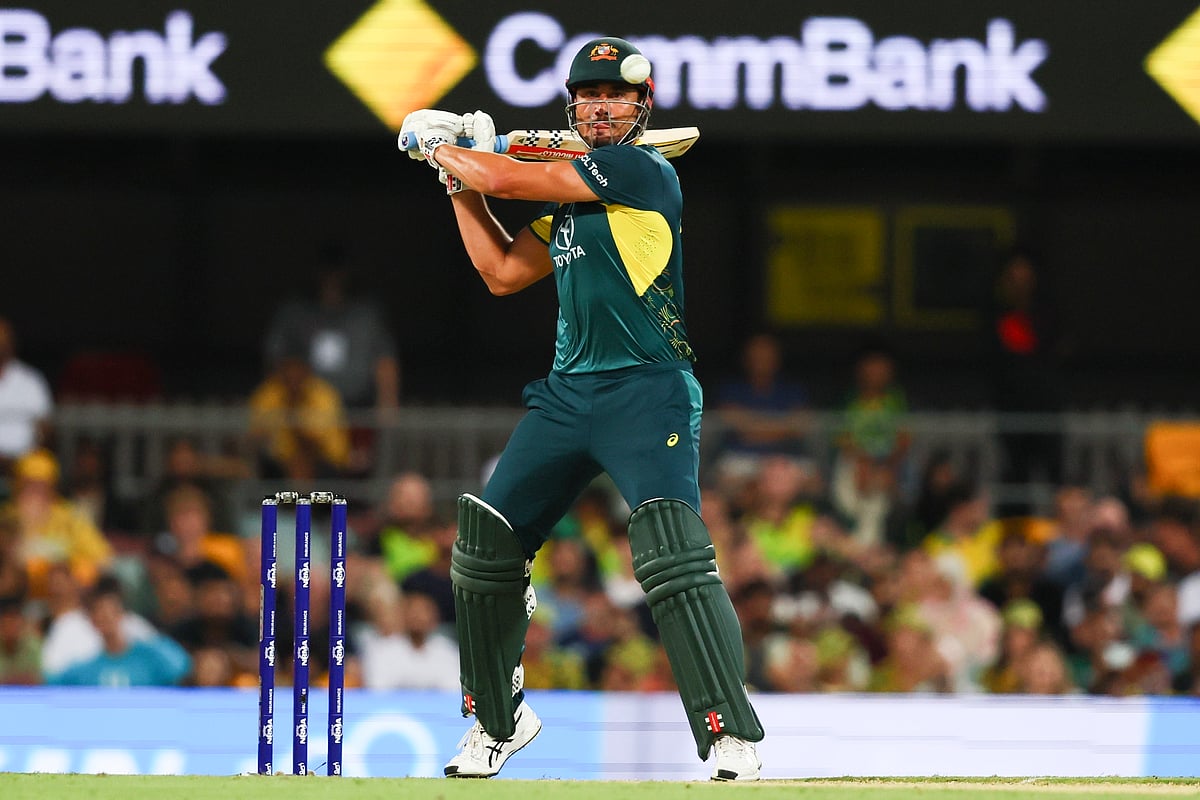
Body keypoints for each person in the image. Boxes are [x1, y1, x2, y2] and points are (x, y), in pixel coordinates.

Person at [401, 36, 764, 780]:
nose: (600, 109)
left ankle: (731, 735)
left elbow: (510, 175)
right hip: (569, 393)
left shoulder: (641, 170)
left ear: (641, 107)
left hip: (647, 388)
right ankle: (497, 724)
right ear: (574, 105)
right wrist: (457, 184)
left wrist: (445, 149)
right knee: (484, 546)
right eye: (589, 98)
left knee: (672, 555)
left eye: (614, 98)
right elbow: (502, 271)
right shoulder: (574, 199)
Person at [264, 242, 400, 411]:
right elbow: (275, 363)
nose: (332, 276)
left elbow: (385, 363)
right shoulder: (294, 313)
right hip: (306, 413)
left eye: (338, 268)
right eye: (327, 269)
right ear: (316, 270)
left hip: (358, 412)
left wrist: (387, 410)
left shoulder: (367, 314)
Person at [0, 317, 54, 485]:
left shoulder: (31, 381)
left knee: (40, 468)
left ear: (11, 344)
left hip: (24, 464)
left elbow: (45, 428)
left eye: (4, 341)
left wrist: (29, 457)